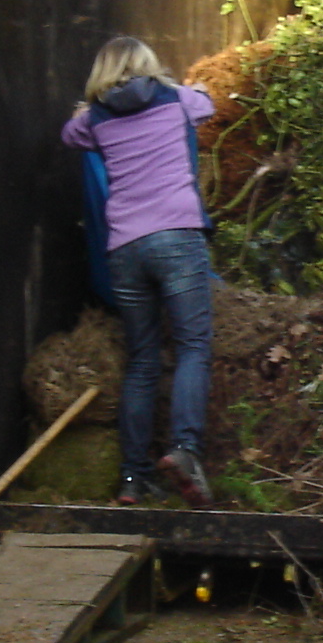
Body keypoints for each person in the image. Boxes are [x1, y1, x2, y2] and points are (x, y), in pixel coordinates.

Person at [62, 37, 215, 506]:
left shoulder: (93, 119)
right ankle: (186, 449)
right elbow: (207, 105)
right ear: (148, 66)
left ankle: (133, 477)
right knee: (193, 344)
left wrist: (88, 107)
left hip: (126, 249)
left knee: (142, 360)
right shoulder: (177, 99)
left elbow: (70, 135)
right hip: (177, 238)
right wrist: (193, 86)